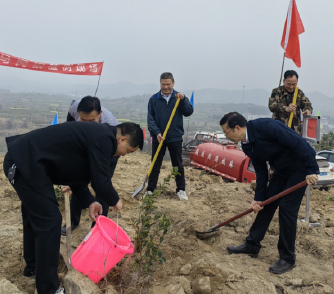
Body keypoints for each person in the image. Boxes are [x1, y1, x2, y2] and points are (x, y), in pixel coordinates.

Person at [3, 122, 143, 294]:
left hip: (28, 163)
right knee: (50, 220)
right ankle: (48, 289)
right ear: (122, 139)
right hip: (23, 164)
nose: (123, 155)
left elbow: (73, 173)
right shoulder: (105, 138)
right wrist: (116, 201)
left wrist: (90, 202)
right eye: (127, 151)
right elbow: (101, 183)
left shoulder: (97, 136)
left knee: (37, 214)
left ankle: (33, 268)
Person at [220, 112, 318, 274]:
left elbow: (297, 143)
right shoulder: (246, 144)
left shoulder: (266, 126)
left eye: (226, 132)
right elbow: (261, 171)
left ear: (236, 128)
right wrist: (258, 199)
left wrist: (312, 169)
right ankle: (252, 245)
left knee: (287, 208)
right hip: (281, 169)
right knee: (267, 203)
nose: (226, 135)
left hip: (301, 167)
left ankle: (287, 258)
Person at [61, 96, 120, 235]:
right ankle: (73, 221)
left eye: (92, 121)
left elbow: (111, 154)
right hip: (83, 146)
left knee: (102, 186)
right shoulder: (74, 108)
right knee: (78, 181)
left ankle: (97, 229)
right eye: (83, 120)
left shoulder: (111, 125)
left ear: (100, 114)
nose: (87, 124)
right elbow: (69, 132)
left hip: (108, 153)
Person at [147, 72, 193, 200]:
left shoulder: (179, 98)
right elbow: (150, 119)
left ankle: (181, 190)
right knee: (155, 163)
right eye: (163, 84)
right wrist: (157, 133)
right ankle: (150, 190)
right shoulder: (154, 99)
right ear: (160, 84)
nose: (166, 87)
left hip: (175, 137)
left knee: (177, 164)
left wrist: (183, 100)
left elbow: (188, 112)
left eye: (168, 84)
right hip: (159, 138)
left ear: (173, 83)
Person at [269, 70, 312, 136]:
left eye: (294, 84)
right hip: (279, 129)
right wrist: (285, 108)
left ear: (297, 82)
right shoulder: (277, 91)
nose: (291, 87)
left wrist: (307, 110)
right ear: (284, 81)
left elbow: (307, 104)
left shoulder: (299, 92)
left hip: (295, 131)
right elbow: (271, 106)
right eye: (288, 84)